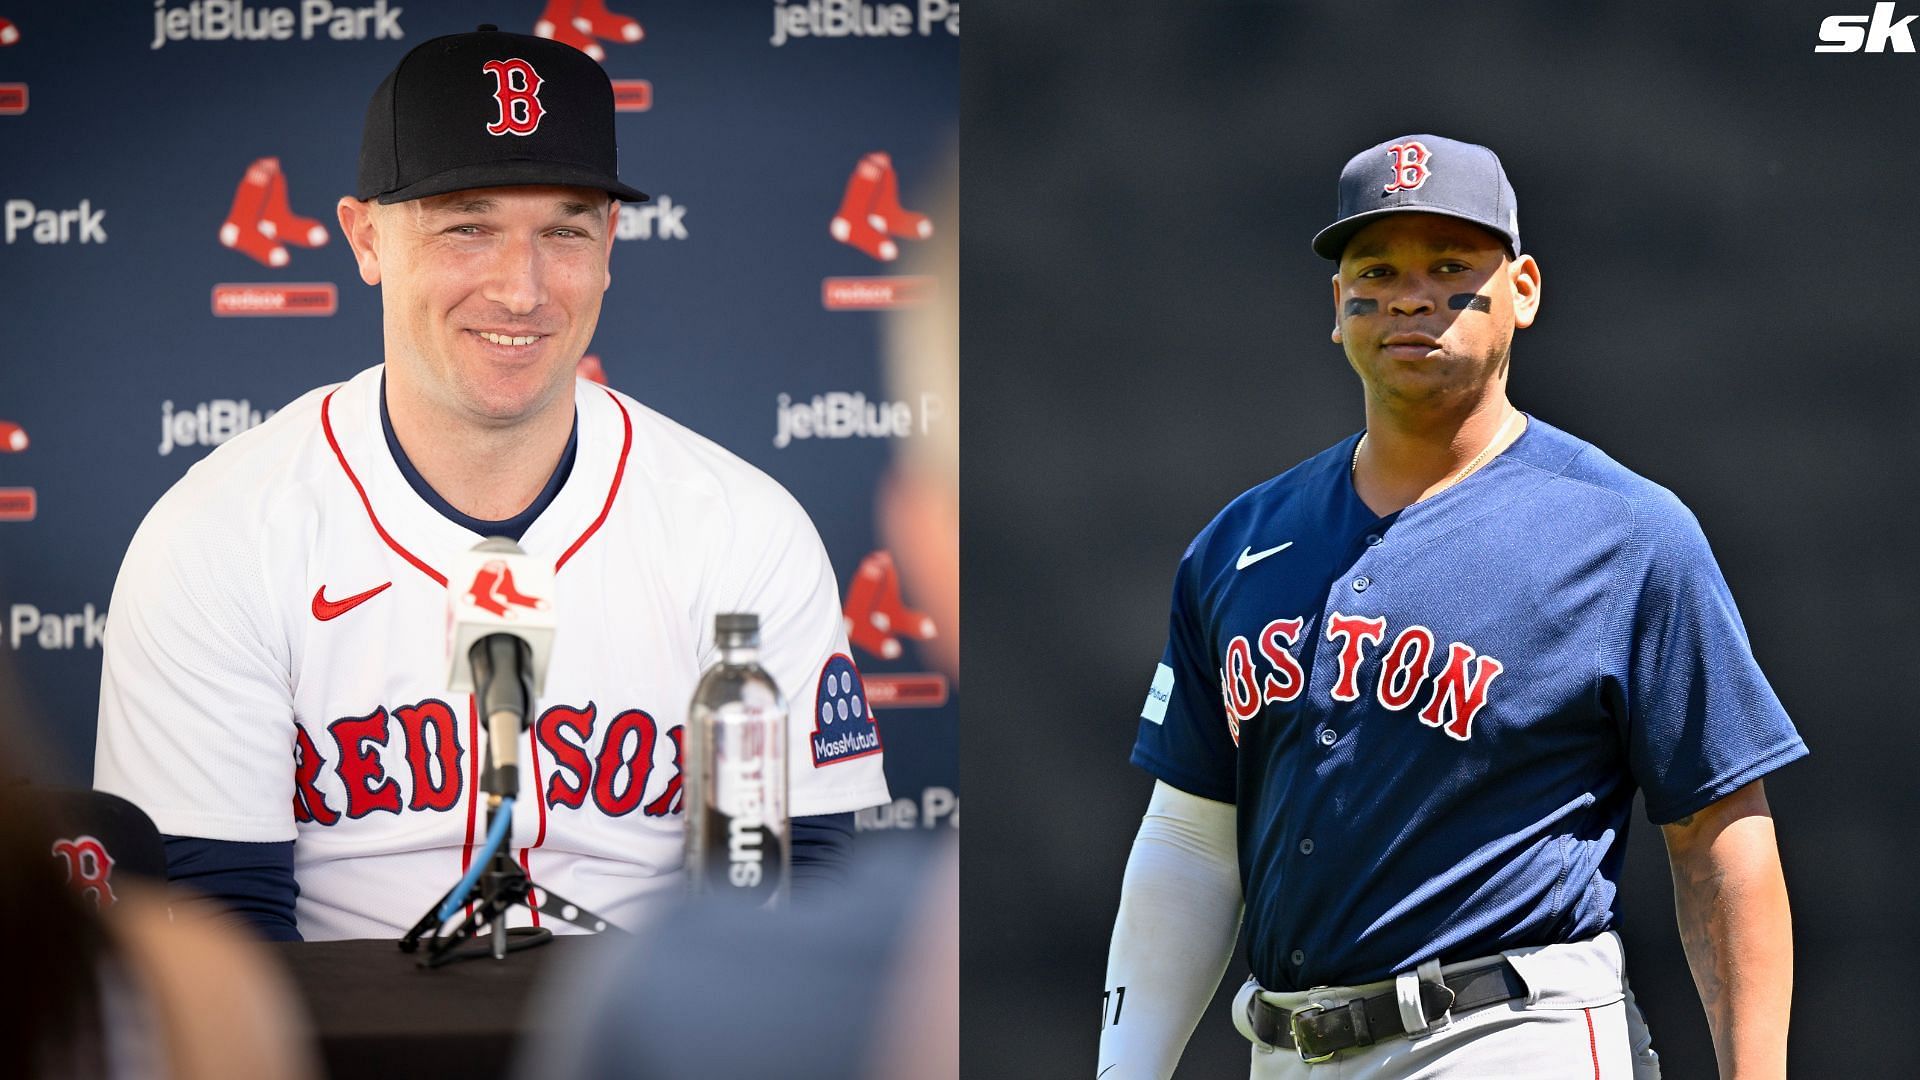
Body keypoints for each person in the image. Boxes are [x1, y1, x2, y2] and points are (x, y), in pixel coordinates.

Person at [93, 25, 889, 942]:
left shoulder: (742, 530)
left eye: (563, 229)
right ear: (365, 238)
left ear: (611, 241)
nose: (523, 287)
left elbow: (802, 890)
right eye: (467, 226)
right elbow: (213, 925)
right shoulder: (221, 531)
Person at [1096, 134, 1804, 1078]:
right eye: (1376, 267)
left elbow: (1721, 842)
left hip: (1509, 1033)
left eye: (1451, 265)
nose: (1410, 294)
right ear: (1336, 306)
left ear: (1524, 289)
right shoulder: (1238, 542)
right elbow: (1189, 835)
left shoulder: (1626, 533)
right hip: (1289, 1050)